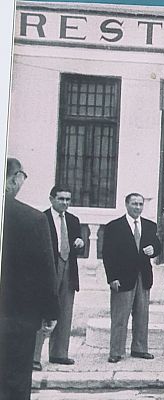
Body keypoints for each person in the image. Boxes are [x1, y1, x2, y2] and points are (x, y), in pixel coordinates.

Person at [0, 158, 58, 400]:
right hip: (17, 319)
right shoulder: (32, 219)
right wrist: (51, 312)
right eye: (23, 177)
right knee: (14, 382)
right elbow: (45, 271)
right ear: (15, 178)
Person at [102, 193, 161, 363]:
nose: (137, 207)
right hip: (122, 277)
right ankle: (116, 351)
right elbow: (107, 254)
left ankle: (139, 349)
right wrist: (112, 278)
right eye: (134, 203)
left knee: (142, 315)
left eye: (140, 204)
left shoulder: (150, 226)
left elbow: (157, 245)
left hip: (143, 276)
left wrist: (153, 249)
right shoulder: (114, 226)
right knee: (120, 316)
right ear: (126, 204)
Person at [33, 185, 84, 370]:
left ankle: (59, 354)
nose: (65, 203)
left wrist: (80, 242)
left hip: (68, 270)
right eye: (61, 199)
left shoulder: (73, 220)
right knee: (41, 313)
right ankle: (34, 358)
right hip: (48, 271)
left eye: (68, 200)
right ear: (51, 199)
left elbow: (78, 245)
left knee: (64, 312)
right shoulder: (41, 218)